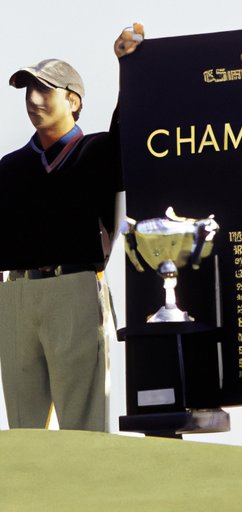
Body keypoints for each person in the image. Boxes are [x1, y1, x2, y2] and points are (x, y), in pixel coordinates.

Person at [0, 24, 144, 432]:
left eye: (45, 90)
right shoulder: (9, 167)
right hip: (15, 295)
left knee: (84, 429)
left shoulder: (99, 151)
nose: (33, 100)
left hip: (76, 289)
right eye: (29, 91)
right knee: (22, 433)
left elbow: (131, 124)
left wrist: (129, 66)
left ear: (73, 100)